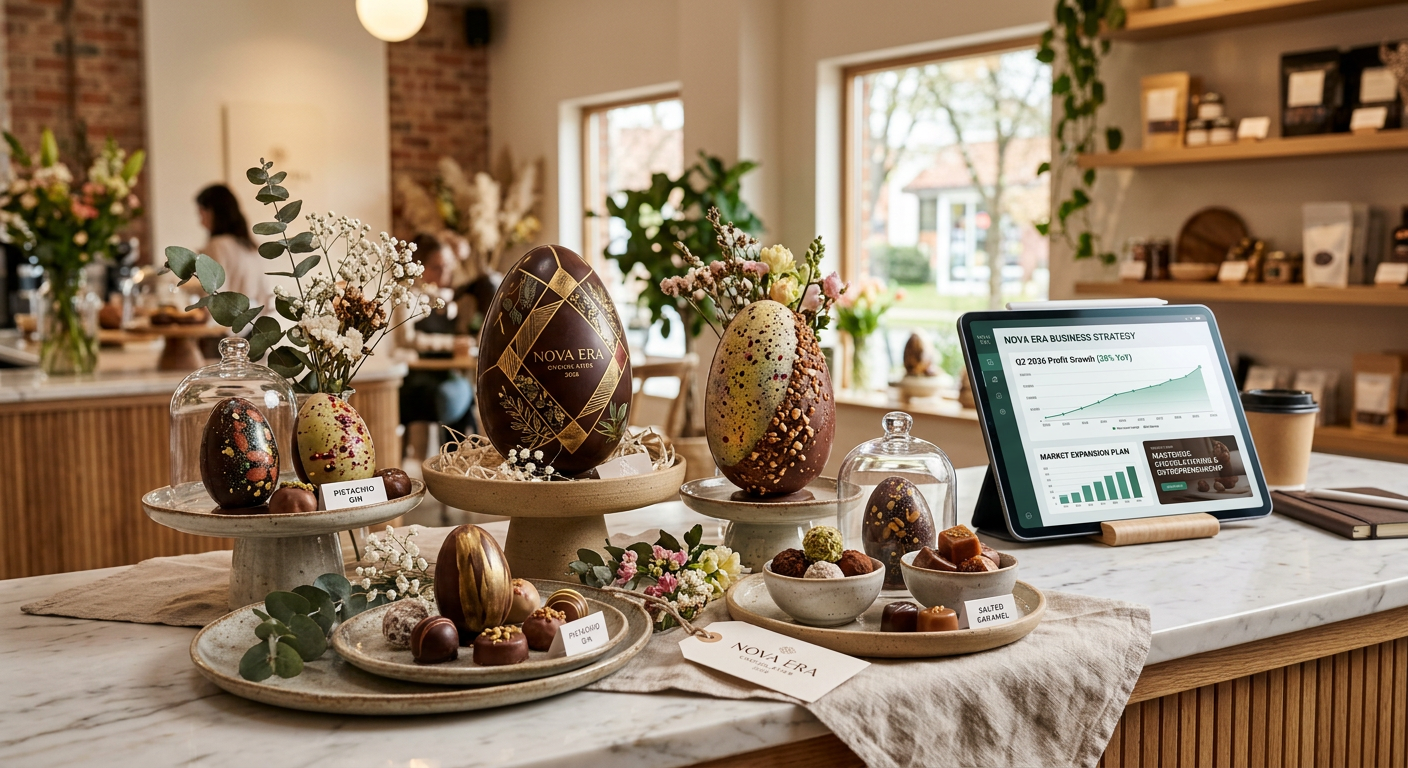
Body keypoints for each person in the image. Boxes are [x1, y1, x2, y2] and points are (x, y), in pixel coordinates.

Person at [398, 233, 477, 442]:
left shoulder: (444, 298)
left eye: (448, 266)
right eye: (437, 267)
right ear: (419, 266)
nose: (445, 273)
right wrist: (450, 344)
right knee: (461, 394)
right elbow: (405, 338)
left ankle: (458, 458)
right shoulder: (408, 296)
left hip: (443, 373)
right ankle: (458, 457)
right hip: (416, 379)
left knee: (465, 392)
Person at [195, 184, 272, 310]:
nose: (201, 222)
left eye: (201, 214)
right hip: (253, 322)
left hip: (227, 327)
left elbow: (213, 296)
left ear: (213, 212)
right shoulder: (249, 245)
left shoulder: (217, 245)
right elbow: (264, 294)